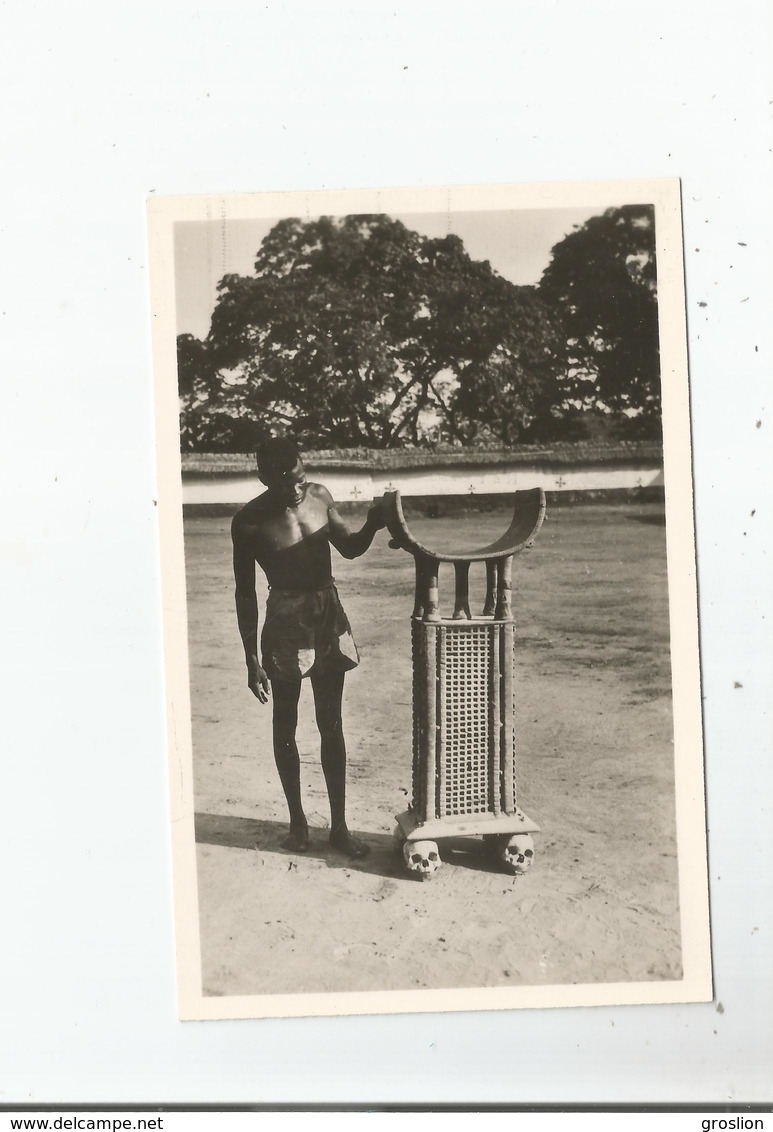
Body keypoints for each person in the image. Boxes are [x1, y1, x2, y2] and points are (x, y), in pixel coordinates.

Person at [231, 437, 386, 858]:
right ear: (264, 478)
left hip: (326, 611)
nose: (297, 489)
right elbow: (245, 593)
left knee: (331, 723)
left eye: (300, 478)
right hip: (284, 618)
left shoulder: (319, 495)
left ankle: (339, 827)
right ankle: (298, 824)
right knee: (285, 725)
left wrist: (375, 522)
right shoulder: (248, 522)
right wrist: (251, 658)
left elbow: (350, 547)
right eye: (286, 484)